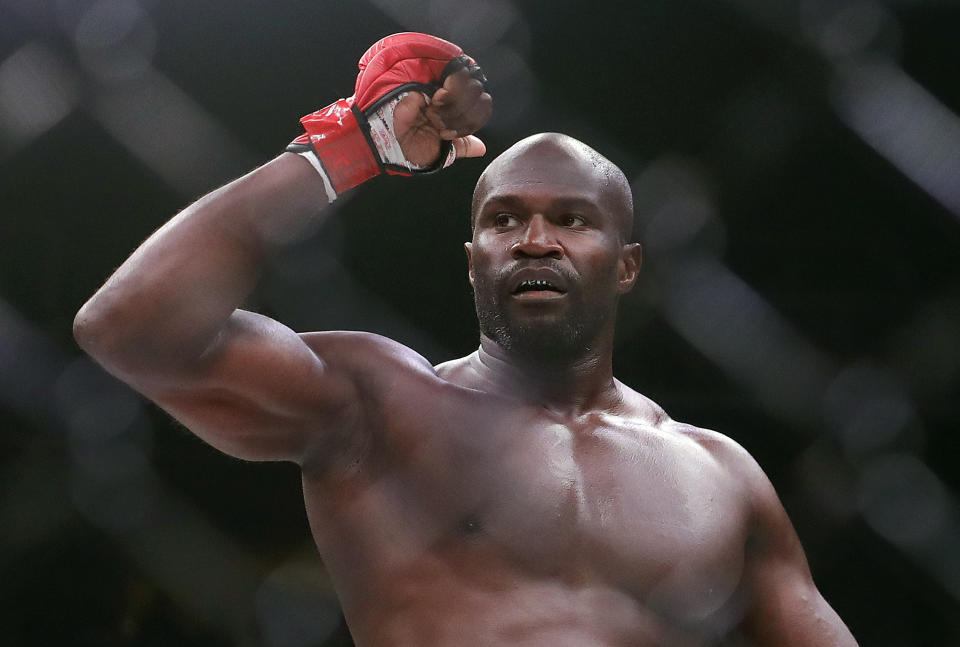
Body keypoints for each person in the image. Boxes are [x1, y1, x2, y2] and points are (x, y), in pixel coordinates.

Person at [74, 33, 858, 646]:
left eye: (571, 219)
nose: (535, 240)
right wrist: (348, 149)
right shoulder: (378, 404)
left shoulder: (718, 472)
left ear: (626, 267)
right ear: (474, 258)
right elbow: (133, 327)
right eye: (505, 219)